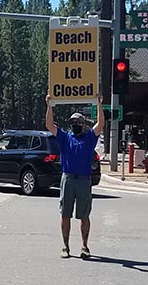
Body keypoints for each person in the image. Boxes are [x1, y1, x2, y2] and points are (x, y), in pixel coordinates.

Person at [45, 92, 104, 259]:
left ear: (83, 124)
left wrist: (99, 104)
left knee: (84, 215)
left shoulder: (89, 137)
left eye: (78, 122)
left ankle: (84, 246)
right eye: (72, 122)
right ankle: (65, 246)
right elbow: (50, 125)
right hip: (68, 178)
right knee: (65, 214)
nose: (75, 124)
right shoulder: (65, 137)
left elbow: (100, 124)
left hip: (84, 180)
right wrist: (49, 105)